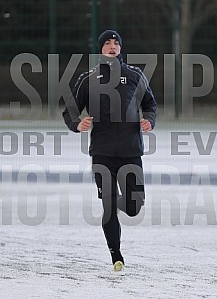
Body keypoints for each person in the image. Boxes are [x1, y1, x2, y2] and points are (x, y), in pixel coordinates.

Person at [62, 30, 156, 272]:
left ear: (121, 48)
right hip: (102, 153)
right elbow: (70, 110)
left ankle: (115, 204)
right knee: (108, 204)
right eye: (107, 43)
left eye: (116, 43)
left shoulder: (134, 75)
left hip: (131, 151)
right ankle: (116, 255)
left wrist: (149, 120)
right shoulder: (88, 78)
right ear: (100, 49)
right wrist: (77, 123)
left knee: (135, 206)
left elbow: (150, 104)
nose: (112, 46)